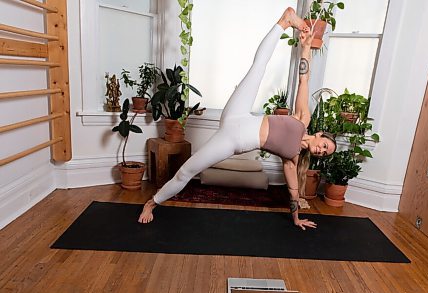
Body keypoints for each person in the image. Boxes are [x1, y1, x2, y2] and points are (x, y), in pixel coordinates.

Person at [138, 7, 336, 229]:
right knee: (258, 67)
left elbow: (293, 191)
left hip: (231, 141)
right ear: (320, 135)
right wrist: (306, 47)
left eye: (324, 153)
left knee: (186, 171)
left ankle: (151, 203)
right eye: (325, 145)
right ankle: (285, 20)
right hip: (238, 114)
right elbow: (304, 81)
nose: (321, 150)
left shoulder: (293, 159)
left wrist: (296, 217)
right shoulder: (303, 119)